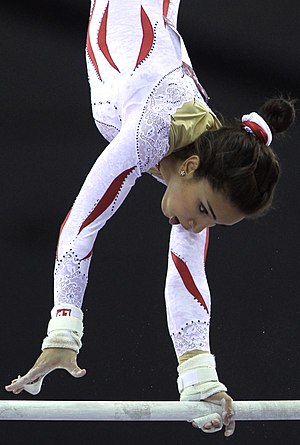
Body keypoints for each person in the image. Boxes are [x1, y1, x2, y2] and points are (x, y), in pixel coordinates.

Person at [5, 0, 295, 437]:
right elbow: (81, 226)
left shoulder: (200, 158)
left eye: (213, 223)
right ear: (190, 166)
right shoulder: (149, 130)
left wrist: (200, 379)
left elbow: (187, 270)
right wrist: (63, 333)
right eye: (204, 212)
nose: (198, 226)